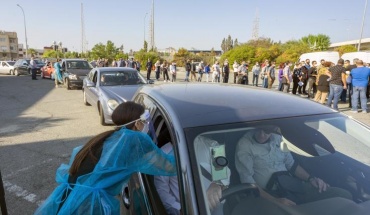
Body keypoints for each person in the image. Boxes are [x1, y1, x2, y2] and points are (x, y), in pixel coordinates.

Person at [35, 102, 176, 215]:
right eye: (144, 121)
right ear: (137, 123)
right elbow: (170, 167)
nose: (145, 125)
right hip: (91, 205)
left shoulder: (107, 137)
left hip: (70, 198)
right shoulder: (135, 140)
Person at [235, 127, 352, 206]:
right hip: (269, 194)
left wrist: (311, 178)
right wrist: (275, 201)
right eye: (259, 131)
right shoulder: (245, 144)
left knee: (342, 195)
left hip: (292, 186)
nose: (261, 135)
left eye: (266, 132)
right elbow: (248, 182)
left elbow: (291, 165)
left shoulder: (278, 138)